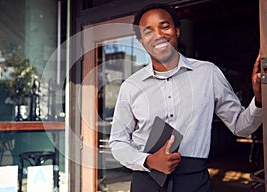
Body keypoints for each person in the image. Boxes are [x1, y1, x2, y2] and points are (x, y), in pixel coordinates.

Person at [109, 3, 262, 192]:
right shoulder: (131, 86)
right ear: (141, 42)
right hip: (147, 180)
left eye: (164, 26)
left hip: (194, 181)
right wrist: (148, 160)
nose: (158, 35)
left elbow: (241, 127)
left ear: (177, 31)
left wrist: (259, 100)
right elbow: (117, 142)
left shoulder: (208, 73)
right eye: (148, 31)